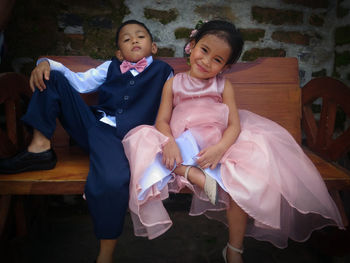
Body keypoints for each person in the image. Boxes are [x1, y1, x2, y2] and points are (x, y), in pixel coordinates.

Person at [121, 20, 344, 263]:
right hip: (182, 138)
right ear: (192, 46)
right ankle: (189, 172)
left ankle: (234, 250)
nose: (206, 61)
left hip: (214, 142)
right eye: (204, 50)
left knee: (240, 181)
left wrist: (219, 149)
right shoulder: (173, 82)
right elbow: (162, 120)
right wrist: (169, 142)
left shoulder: (223, 85)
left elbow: (234, 125)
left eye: (217, 60)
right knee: (146, 143)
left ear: (225, 66)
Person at [0, 19, 173, 263]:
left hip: (128, 138)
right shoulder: (110, 67)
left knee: (113, 181)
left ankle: (105, 256)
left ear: (153, 47)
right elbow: (78, 82)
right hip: (94, 126)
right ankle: (39, 149)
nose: (134, 40)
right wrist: (44, 63)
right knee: (53, 77)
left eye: (140, 36)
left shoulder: (165, 72)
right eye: (126, 38)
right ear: (118, 52)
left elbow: (175, 105)